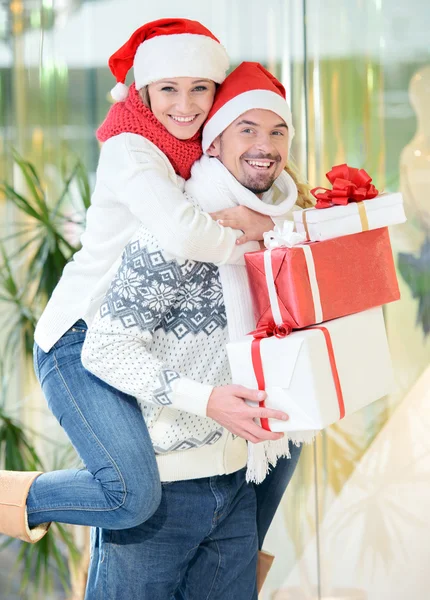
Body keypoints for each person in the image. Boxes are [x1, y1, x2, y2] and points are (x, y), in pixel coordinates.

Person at [0, 19, 274, 545]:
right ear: (144, 92)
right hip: (79, 338)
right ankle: (16, 498)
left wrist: (272, 218)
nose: (185, 105)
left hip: (143, 339)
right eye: (168, 88)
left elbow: (272, 194)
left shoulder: (201, 154)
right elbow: (185, 235)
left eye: (200, 89)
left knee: (266, 460)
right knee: (130, 493)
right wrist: (260, 230)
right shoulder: (131, 149)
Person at [81, 61, 310, 599]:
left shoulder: (281, 229)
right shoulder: (179, 231)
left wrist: (275, 224)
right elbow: (106, 348)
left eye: (277, 130)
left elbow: (331, 236)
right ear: (212, 143)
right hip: (165, 490)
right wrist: (206, 400)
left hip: (240, 477)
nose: (265, 145)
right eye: (246, 130)